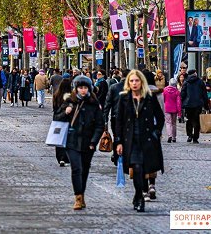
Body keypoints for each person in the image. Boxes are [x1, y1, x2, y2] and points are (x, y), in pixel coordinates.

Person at [115, 70, 165, 213]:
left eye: (137, 81)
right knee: (136, 168)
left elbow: (160, 117)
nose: (134, 83)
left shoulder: (149, 97)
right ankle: (139, 195)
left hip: (147, 139)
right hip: (131, 140)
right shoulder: (124, 99)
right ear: (128, 83)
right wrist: (118, 141)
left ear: (141, 82)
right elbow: (119, 121)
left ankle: (139, 196)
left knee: (144, 168)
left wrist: (156, 132)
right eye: (131, 81)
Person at [54, 75, 104, 210]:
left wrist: (94, 141)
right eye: (80, 88)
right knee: (76, 168)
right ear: (75, 89)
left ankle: (82, 193)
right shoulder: (69, 102)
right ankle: (78, 197)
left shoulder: (94, 104)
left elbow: (100, 125)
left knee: (85, 169)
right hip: (72, 141)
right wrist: (66, 112)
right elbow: (56, 118)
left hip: (88, 143)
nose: (83, 90)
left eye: (85, 88)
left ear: (89, 89)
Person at [180, 67, 207, 144]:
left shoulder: (186, 82)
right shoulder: (200, 82)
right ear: (195, 73)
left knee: (189, 120)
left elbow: (182, 94)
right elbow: (204, 94)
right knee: (196, 121)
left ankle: (189, 135)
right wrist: (206, 105)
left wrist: (182, 103)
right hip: (198, 104)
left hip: (188, 104)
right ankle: (195, 138)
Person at [52, 77, 72, 166]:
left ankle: (60, 157)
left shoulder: (56, 95)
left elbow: (54, 108)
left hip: (58, 119)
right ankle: (66, 157)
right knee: (68, 139)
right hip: (68, 119)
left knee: (59, 139)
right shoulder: (71, 96)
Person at [163, 78, 181, 143]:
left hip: (167, 108)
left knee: (168, 123)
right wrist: (179, 113)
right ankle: (174, 137)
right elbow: (178, 103)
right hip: (175, 109)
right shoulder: (177, 91)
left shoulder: (164, 90)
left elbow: (163, 100)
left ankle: (169, 135)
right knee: (174, 123)